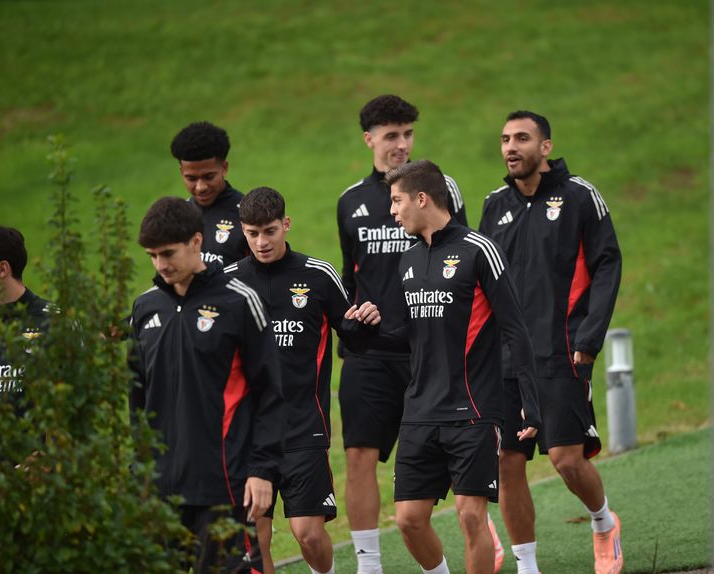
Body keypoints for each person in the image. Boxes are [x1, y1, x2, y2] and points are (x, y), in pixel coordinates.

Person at [337, 94, 508, 573]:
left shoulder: (439, 188)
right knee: (362, 458)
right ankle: (369, 565)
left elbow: (467, 265)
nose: (402, 144)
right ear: (369, 138)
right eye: (392, 135)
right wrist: (355, 333)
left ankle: (484, 533)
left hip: (442, 357)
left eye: (408, 134)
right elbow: (352, 278)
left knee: (468, 503)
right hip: (378, 351)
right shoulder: (349, 202)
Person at [479, 111, 623, 574]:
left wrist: (589, 336)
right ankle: (527, 566)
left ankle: (603, 524)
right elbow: (481, 282)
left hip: (562, 349)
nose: (510, 147)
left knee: (565, 460)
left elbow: (607, 265)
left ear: (545, 146)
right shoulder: (494, 204)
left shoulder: (580, 196)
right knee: (507, 462)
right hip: (504, 357)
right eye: (504, 139)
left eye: (522, 138)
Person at [382, 160, 540, 574]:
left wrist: (529, 399)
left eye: (397, 201)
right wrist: (361, 330)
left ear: (421, 198)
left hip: (473, 410)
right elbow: (407, 337)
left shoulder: (479, 250)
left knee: (471, 517)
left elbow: (516, 331)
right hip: (419, 412)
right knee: (408, 520)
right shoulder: (408, 260)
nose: (393, 211)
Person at [225, 187, 382, 574]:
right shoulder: (226, 282)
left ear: (286, 225)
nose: (261, 242)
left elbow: (355, 339)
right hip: (248, 434)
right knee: (256, 540)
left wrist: (367, 322)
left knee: (308, 534)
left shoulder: (318, 275)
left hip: (302, 428)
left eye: (269, 231)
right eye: (252, 233)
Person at [128, 197, 283, 574]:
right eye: (152, 255)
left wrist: (262, 470)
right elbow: (138, 401)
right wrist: (140, 474)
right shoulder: (145, 308)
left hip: (224, 483)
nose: (161, 265)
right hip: (162, 487)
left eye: (168, 253)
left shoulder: (240, 301)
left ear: (196, 242)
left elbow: (270, 393)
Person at [0, 226, 51, 463]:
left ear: (2, 269)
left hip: (41, 488)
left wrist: (48, 458)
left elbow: (83, 407)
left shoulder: (56, 325)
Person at [171, 121, 249, 266]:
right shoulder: (176, 218)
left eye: (209, 177)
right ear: (181, 172)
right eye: (191, 178)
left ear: (224, 168)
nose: (201, 187)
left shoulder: (248, 216)